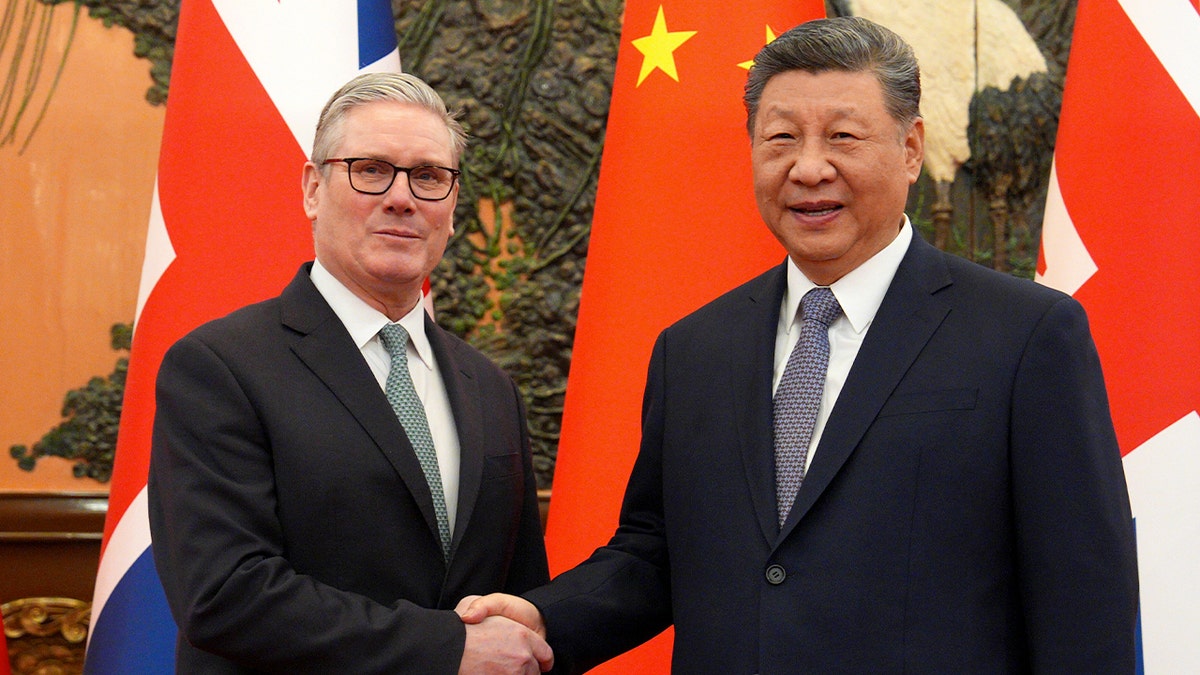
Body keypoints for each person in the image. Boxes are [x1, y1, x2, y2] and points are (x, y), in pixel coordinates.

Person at [459, 16, 1139, 673]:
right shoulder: (693, 349)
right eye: (780, 138)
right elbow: (657, 552)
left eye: (843, 136)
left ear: (910, 148)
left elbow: (1082, 596)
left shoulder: (1025, 335)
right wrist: (545, 620)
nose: (809, 168)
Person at [148, 72, 553, 674]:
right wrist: (446, 650)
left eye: (429, 177)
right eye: (370, 169)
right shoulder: (219, 367)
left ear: (451, 205)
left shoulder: (489, 387)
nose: (402, 198)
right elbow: (224, 594)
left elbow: (518, 598)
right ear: (313, 189)